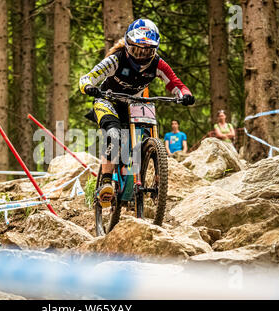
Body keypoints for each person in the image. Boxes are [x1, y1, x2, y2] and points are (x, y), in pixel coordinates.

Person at [79, 18, 195, 207]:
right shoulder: (116, 59)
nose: (141, 56)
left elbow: (175, 83)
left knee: (142, 136)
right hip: (108, 101)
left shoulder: (158, 64)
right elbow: (88, 77)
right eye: (136, 50)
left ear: (154, 50)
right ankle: (106, 182)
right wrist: (88, 87)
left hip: (133, 103)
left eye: (147, 51)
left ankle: (140, 173)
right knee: (114, 134)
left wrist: (185, 94)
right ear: (127, 45)